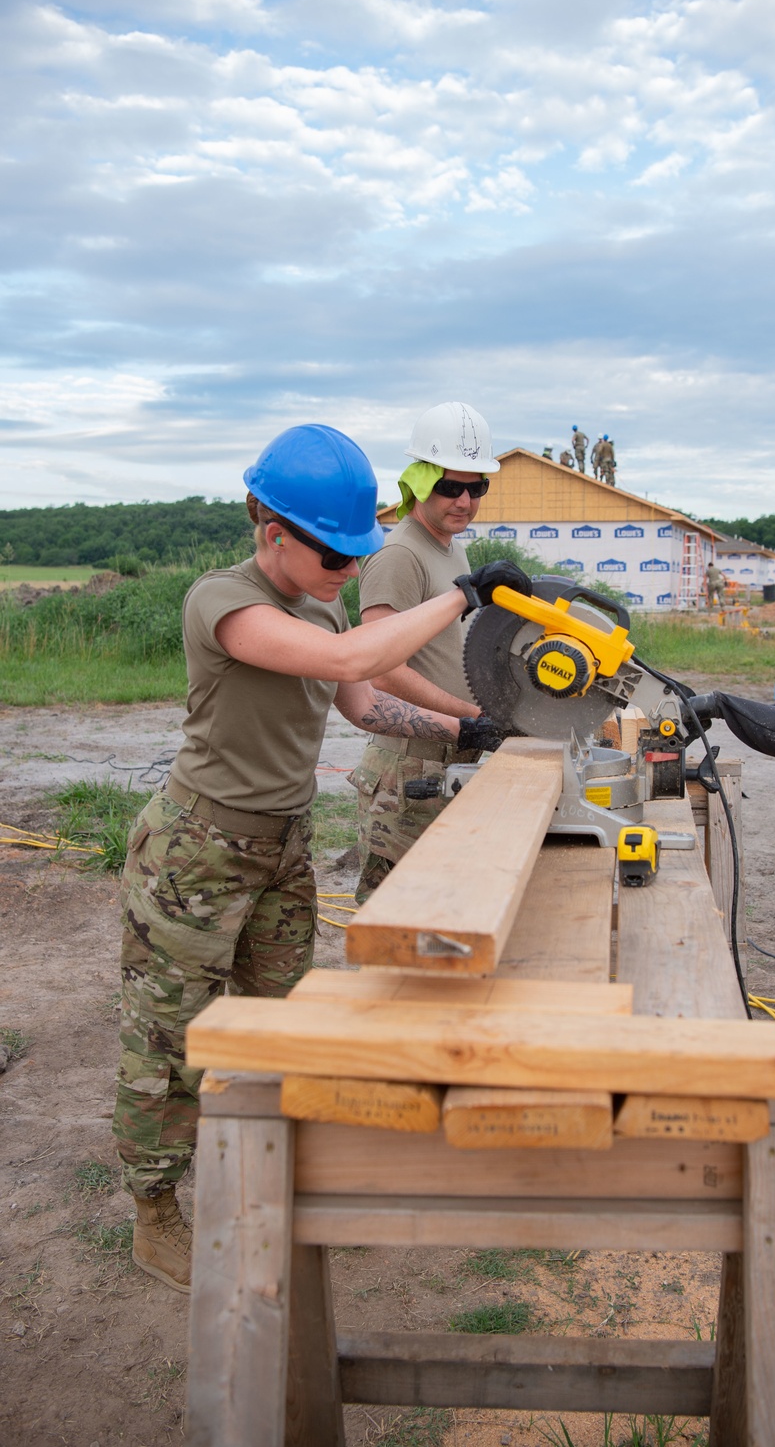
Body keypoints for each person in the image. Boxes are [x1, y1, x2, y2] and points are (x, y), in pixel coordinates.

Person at [112, 421, 529, 1293]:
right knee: (170, 1037)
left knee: (279, 1020)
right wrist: (463, 597)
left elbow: (363, 702)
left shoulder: (321, 601)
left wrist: (465, 729)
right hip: (196, 851)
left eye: (355, 558)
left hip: (281, 845)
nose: (348, 572)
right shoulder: (221, 601)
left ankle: (265, 1173)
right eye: (337, 558)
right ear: (274, 534)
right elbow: (350, 656)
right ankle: (155, 1213)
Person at [352, 402, 502, 902]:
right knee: (397, 915)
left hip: (452, 754)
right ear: (420, 482)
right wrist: (471, 715)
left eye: (476, 487)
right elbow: (381, 670)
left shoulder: (451, 545)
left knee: (446, 907)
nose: (464, 500)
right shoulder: (400, 554)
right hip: (409, 767)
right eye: (450, 487)